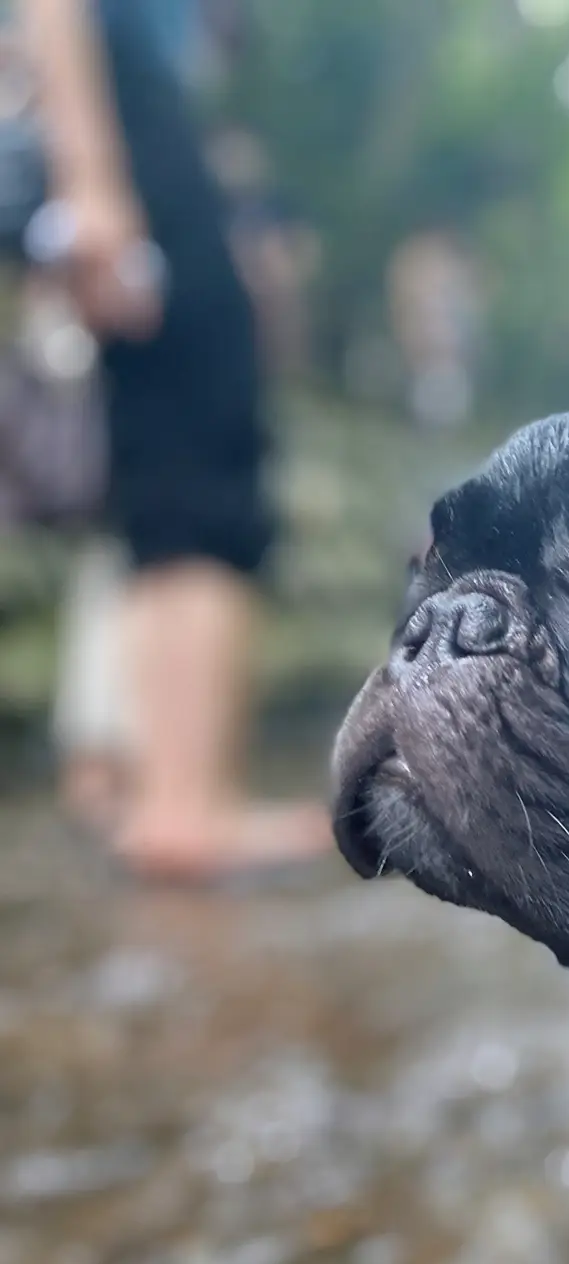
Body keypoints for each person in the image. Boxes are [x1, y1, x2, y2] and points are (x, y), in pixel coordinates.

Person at [20, 0, 330, 880]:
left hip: (128, 126)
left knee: (166, 455)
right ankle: (189, 805)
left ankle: (170, 796)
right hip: (127, 135)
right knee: (204, 443)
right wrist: (90, 181)